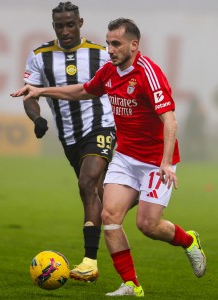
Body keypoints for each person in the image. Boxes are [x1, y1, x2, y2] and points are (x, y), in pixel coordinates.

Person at [11, 18, 206, 297]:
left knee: (147, 225)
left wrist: (165, 162)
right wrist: (40, 91)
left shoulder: (148, 73)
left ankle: (189, 241)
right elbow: (82, 90)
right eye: (108, 43)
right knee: (109, 215)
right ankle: (131, 284)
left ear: (133, 45)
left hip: (154, 161)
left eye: (116, 44)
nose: (110, 49)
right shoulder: (109, 72)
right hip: (126, 158)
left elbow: (170, 119)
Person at [20, 2, 116, 282]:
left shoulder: (101, 54)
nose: (66, 30)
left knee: (87, 183)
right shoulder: (39, 56)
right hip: (70, 139)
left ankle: (89, 261)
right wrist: (37, 119)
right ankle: (136, 196)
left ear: (80, 23)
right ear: (54, 27)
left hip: (101, 127)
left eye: (70, 24)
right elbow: (30, 95)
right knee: (102, 198)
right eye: (60, 26)